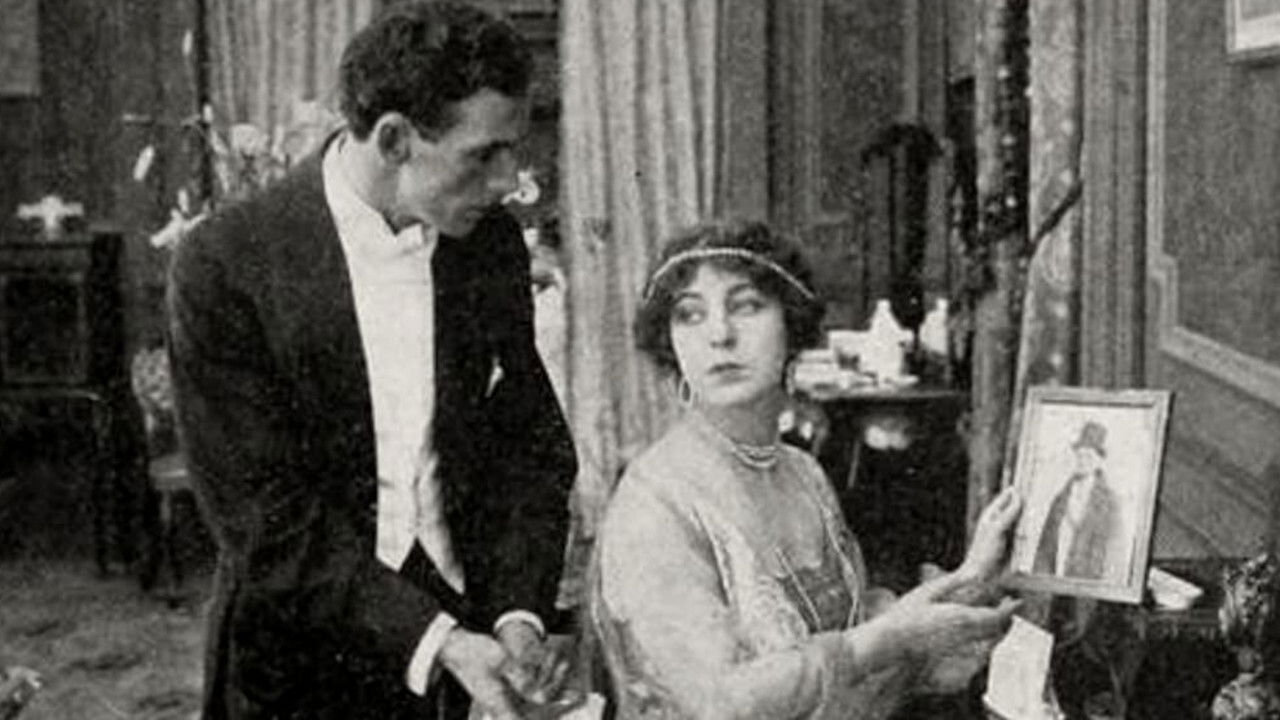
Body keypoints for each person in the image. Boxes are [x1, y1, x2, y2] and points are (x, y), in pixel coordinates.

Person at [167, 3, 576, 718]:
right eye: (483, 154)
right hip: (288, 673)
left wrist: (517, 615)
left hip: (466, 658)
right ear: (393, 139)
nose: (509, 180)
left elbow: (528, 448)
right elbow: (262, 520)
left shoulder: (490, 248)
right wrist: (438, 642)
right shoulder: (224, 263)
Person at [590, 220, 1024, 720]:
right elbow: (720, 703)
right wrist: (893, 638)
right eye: (690, 315)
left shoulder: (803, 473)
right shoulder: (655, 503)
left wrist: (970, 579)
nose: (719, 335)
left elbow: (859, 634)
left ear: (791, 326)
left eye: (746, 306)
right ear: (669, 343)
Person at [1032, 421, 1120, 581]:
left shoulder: (1109, 503)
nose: (1083, 461)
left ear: (1099, 461)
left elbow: (1113, 555)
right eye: (1080, 455)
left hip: (1088, 585)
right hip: (1055, 580)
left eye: (1089, 456)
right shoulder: (1060, 500)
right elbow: (1044, 551)